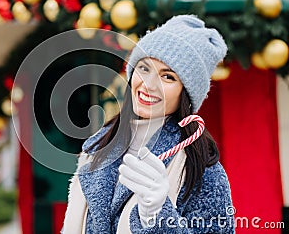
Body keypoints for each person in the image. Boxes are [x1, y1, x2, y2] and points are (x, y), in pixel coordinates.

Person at [62, 15, 235, 233]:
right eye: (144, 68)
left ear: (187, 93)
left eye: (168, 77)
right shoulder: (97, 148)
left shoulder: (200, 168)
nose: (149, 84)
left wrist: (158, 215)